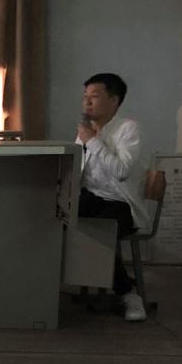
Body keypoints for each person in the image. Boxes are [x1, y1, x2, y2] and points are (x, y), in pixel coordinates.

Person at [75, 73, 149, 322]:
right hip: (91, 197)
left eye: (94, 96)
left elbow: (121, 171)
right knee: (55, 213)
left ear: (114, 100)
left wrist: (92, 141)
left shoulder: (128, 129)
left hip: (120, 203)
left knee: (100, 230)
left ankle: (129, 294)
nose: (87, 102)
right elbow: (79, 174)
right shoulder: (85, 131)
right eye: (85, 97)